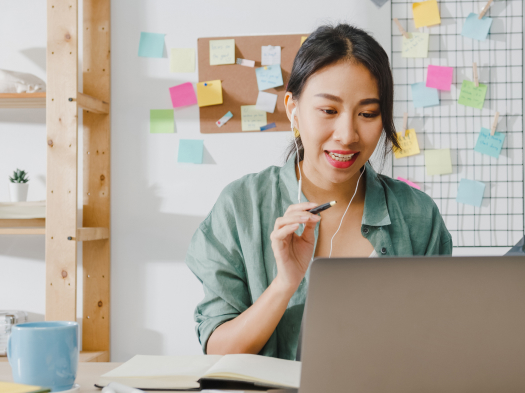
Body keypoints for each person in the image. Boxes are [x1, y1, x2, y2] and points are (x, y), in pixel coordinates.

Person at [185, 23, 452, 360]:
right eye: (328, 111)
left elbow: (437, 343)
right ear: (293, 109)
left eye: (368, 113)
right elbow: (218, 352)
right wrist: (285, 283)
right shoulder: (241, 206)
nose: (347, 134)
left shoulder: (418, 215)